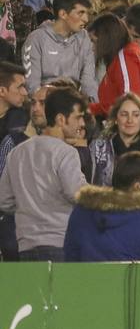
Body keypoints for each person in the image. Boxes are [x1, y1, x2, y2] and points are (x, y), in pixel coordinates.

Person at [0, 86, 86, 261]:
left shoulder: (16, 152)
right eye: (78, 117)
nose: (82, 124)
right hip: (61, 244)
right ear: (61, 119)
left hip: (25, 248)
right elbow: (77, 194)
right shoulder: (66, 153)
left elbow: (4, 200)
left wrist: (30, 206)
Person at [64, 150, 140, 262]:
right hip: (131, 280)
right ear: (137, 186)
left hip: (84, 279)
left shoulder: (81, 211)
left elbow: (70, 255)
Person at [22, 0, 95, 101]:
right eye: (81, 13)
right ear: (63, 14)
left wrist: (92, 105)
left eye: (86, 13)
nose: (86, 19)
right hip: (44, 104)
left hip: (73, 104)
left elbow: (89, 82)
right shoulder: (36, 39)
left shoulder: (84, 38)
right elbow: (32, 86)